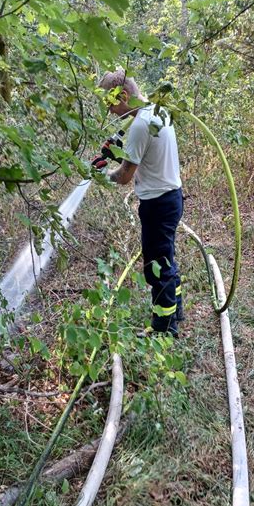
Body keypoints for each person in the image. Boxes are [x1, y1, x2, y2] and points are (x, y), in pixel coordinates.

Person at [97, 69, 183, 337]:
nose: (110, 111)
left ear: (123, 95)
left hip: (157, 204)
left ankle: (164, 329)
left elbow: (124, 176)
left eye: (110, 104)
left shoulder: (139, 126)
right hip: (171, 198)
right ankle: (176, 311)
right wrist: (114, 147)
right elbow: (139, 139)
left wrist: (101, 176)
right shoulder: (157, 111)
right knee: (166, 259)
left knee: (156, 269)